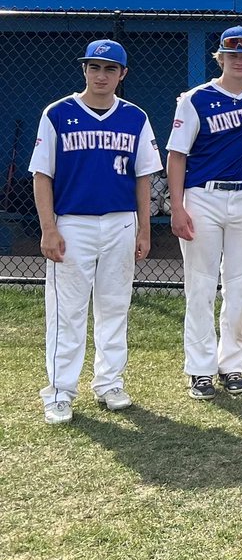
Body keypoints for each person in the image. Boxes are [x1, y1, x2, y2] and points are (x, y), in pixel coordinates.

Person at [32, 40, 161, 424]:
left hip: (121, 221)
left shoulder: (135, 116)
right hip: (72, 223)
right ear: (84, 70)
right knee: (67, 312)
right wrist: (48, 228)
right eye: (94, 67)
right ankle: (58, 391)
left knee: (114, 307)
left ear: (122, 74)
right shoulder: (57, 113)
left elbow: (143, 177)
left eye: (109, 69)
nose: (100, 75)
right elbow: (42, 175)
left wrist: (144, 229)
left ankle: (109, 382)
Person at [167, 26, 242, 400]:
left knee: (239, 284)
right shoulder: (195, 99)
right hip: (203, 196)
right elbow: (176, 155)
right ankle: (200, 369)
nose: (239, 60)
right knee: (201, 284)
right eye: (232, 55)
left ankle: (232, 365)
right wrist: (177, 207)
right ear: (219, 58)